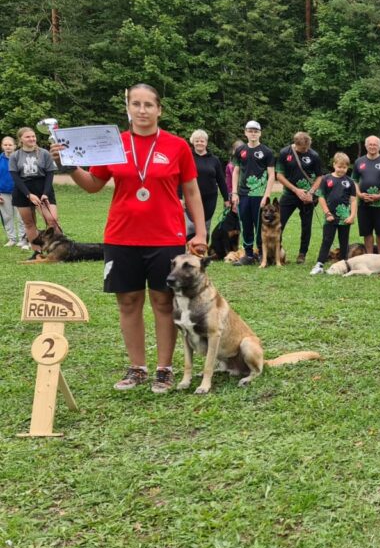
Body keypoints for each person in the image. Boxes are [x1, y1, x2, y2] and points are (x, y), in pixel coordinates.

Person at [52, 83, 206, 393]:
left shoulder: (177, 146)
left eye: (149, 104)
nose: (142, 110)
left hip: (166, 237)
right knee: (128, 301)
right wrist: (65, 164)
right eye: (136, 104)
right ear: (128, 109)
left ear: (159, 109)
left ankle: (165, 369)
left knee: (163, 301)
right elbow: (94, 184)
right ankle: (137, 368)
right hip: (122, 236)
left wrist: (200, 232)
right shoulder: (113, 143)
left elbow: (191, 190)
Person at [230, 120, 275, 266]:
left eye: (256, 131)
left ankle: (263, 254)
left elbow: (271, 175)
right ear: (245, 132)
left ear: (260, 133)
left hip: (260, 196)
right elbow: (236, 172)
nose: (253, 133)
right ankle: (248, 255)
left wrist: (266, 196)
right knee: (246, 224)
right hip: (243, 195)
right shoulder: (240, 150)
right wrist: (234, 192)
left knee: (260, 225)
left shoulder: (267, 152)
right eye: (250, 131)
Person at [275, 131, 323, 264]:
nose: (306, 150)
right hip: (289, 194)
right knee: (280, 223)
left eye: (307, 147)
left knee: (306, 226)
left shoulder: (314, 155)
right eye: (303, 148)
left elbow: (320, 176)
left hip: (307, 197)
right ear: (296, 144)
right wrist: (296, 190)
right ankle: (277, 250)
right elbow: (279, 175)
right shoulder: (285, 153)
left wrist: (311, 192)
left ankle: (302, 254)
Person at [10, 126, 58, 255]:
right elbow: (16, 178)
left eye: (33, 136)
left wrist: (45, 193)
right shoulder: (15, 156)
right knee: (29, 223)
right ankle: (37, 252)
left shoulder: (44, 153)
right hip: (23, 190)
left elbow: (50, 174)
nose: (32, 139)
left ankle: (56, 249)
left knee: (52, 220)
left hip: (42, 188)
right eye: (28, 137)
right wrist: (28, 194)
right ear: (21, 139)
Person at [310, 152, 358, 275]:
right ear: (334, 165)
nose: (341, 169)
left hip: (345, 218)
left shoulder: (350, 182)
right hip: (330, 217)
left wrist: (352, 216)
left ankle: (343, 264)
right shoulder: (326, 179)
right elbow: (321, 197)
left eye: (344, 167)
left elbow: (353, 200)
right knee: (327, 240)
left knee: (344, 242)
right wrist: (327, 213)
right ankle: (319, 264)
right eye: (339, 166)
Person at [352, 135, 380, 255]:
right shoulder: (359, 162)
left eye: (375, 144)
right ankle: (370, 256)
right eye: (370, 144)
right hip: (363, 204)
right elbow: (354, 180)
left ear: (379, 146)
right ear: (366, 146)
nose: (372, 147)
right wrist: (359, 194)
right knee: (367, 233)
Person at [186, 129, 228, 239]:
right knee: (191, 226)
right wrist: (179, 197)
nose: (199, 143)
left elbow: (221, 180)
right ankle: (190, 253)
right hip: (191, 197)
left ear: (206, 142)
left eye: (202, 141)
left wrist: (226, 198)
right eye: (197, 141)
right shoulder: (187, 158)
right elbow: (181, 179)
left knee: (205, 225)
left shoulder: (215, 160)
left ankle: (202, 252)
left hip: (210, 198)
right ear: (193, 142)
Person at [0, 135, 27, 248]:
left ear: (15, 146)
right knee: (7, 217)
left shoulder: (20, 158)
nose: (8, 147)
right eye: (5, 145)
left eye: (10, 145)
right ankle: (12, 239)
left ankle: (23, 239)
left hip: (19, 192)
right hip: (3, 193)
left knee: (21, 217)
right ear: (2, 146)